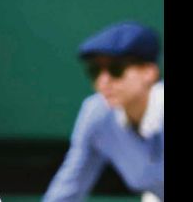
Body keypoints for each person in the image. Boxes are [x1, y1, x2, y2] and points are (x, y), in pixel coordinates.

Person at [43, 21, 164, 202]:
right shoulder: (96, 114)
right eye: (95, 71)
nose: (103, 82)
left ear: (149, 72)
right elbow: (69, 187)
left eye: (116, 70)